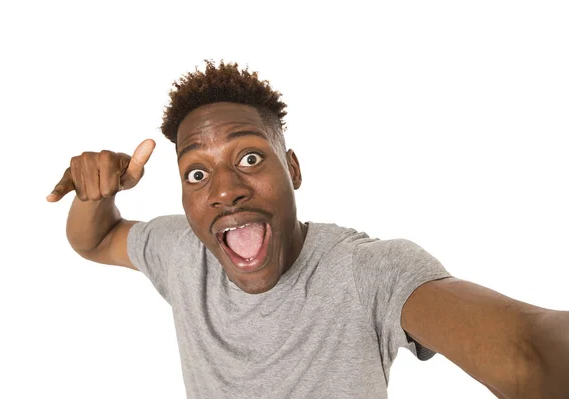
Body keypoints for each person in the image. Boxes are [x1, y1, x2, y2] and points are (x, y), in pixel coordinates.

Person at [47, 60, 568, 399]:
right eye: (197, 173)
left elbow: (529, 351)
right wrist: (98, 195)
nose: (224, 190)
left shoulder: (367, 271)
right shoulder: (184, 250)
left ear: (292, 168)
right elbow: (93, 239)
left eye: (249, 157)